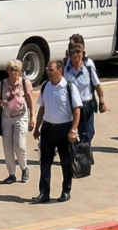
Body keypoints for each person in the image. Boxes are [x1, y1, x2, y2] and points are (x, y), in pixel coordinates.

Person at [31, 60, 81, 204]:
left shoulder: (69, 87)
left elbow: (77, 109)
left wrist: (73, 130)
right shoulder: (45, 86)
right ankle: (44, 193)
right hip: (48, 129)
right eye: (47, 69)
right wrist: (37, 127)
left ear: (60, 70)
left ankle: (66, 191)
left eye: (51, 69)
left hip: (64, 129)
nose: (48, 72)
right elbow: (42, 108)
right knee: (45, 162)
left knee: (66, 162)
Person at [0, 60, 34, 181]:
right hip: (7, 117)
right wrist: (4, 101)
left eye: (15, 69)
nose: (12, 72)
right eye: (10, 69)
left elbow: (30, 100)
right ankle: (11, 174)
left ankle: (24, 168)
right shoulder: (2, 84)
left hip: (20, 116)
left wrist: (32, 117)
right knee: (7, 147)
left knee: (18, 146)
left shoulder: (25, 83)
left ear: (19, 71)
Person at [64, 39, 105, 146]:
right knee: (72, 133)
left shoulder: (88, 67)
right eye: (73, 52)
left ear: (83, 53)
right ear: (69, 54)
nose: (76, 55)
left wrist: (102, 101)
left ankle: (83, 150)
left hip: (87, 105)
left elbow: (97, 85)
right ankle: (77, 151)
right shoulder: (65, 68)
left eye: (78, 52)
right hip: (71, 107)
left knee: (89, 133)